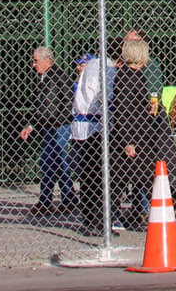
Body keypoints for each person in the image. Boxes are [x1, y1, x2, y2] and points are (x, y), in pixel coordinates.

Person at [20, 45, 77, 216]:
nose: (33, 65)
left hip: (57, 125)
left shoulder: (55, 77)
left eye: (36, 61)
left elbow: (56, 105)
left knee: (52, 161)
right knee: (54, 162)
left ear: (46, 60)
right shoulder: (48, 77)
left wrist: (53, 121)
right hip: (52, 124)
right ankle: (64, 198)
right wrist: (33, 125)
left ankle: (51, 200)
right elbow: (44, 107)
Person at [108, 35, 157, 233]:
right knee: (125, 180)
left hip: (138, 134)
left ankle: (149, 214)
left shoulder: (134, 75)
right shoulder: (128, 77)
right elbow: (123, 110)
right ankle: (110, 218)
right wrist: (129, 140)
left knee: (137, 179)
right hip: (133, 137)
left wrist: (147, 107)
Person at [70, 53, 109, 233]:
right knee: (88, 175)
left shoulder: (95, 73)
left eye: (82, 64)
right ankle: (90, 218)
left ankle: (98, 218)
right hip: (84, 129)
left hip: (94, 128)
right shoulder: (80, 82)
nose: (80, 68)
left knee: (94, 175)